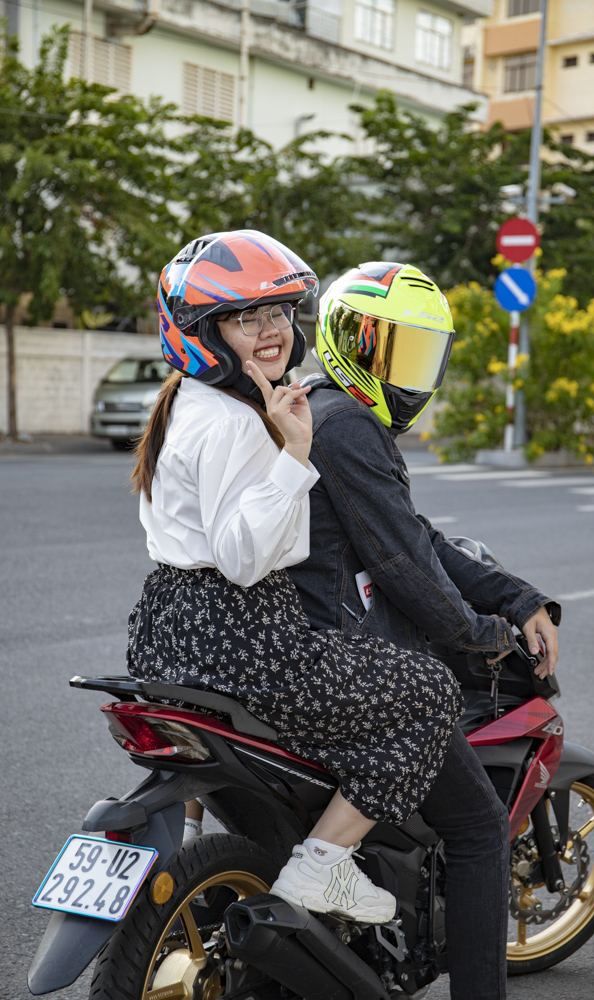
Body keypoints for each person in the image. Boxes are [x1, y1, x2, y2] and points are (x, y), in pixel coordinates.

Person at [124, 231, 506, 924]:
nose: (272, 330)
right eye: (248, 318)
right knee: (426, 691)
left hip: (167, 627)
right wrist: (295, 454)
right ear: (203, 332)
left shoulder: (186, 401)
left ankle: (194, 841)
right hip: (241, 634)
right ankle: (322, 863)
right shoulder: (235, 422)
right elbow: (242, 560)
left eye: (280, 311)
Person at [287, 262, 561, 999]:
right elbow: (406, 567)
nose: (409, 375)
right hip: (345, 659)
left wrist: (517, 597)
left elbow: (416, 537)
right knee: (479, 829)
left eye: (420, 355)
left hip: (288, 646)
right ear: (350, 342)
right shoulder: (349, 426)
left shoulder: (318, 407)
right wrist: (486, 635)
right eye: (394, 351)